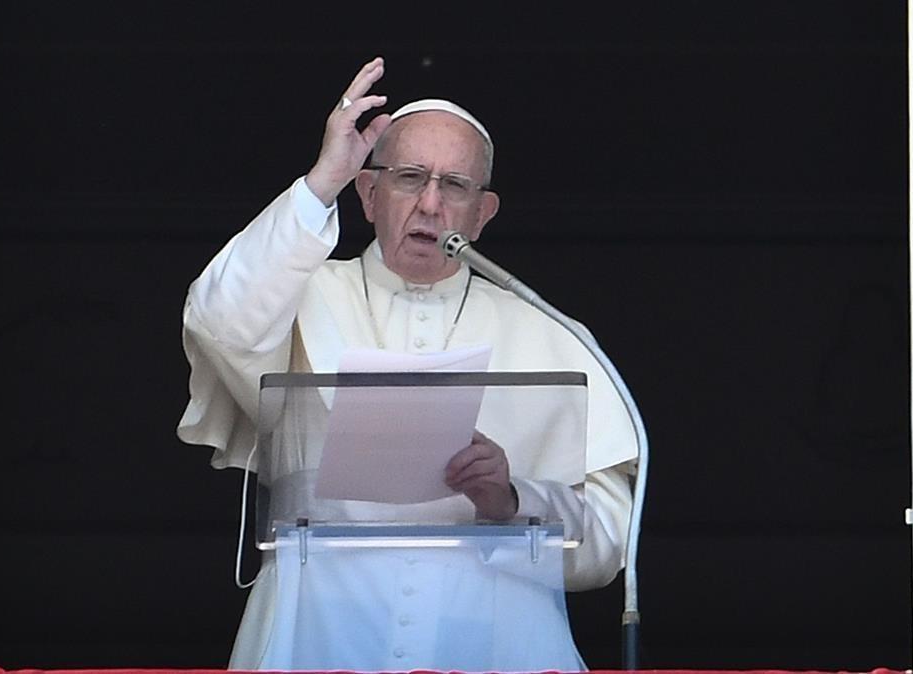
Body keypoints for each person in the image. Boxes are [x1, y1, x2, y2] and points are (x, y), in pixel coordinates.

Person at [177, 57, 640, 670]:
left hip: (495, 642)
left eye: (455, 186)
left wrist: (510, 501)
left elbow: (607, 546)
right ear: (367, 194)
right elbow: (217, 317)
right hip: (316, 632)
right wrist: (323, 179)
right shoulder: (297, 293)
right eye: (408, 177)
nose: (430, 203)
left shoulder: (549, 331)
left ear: (483, 213)